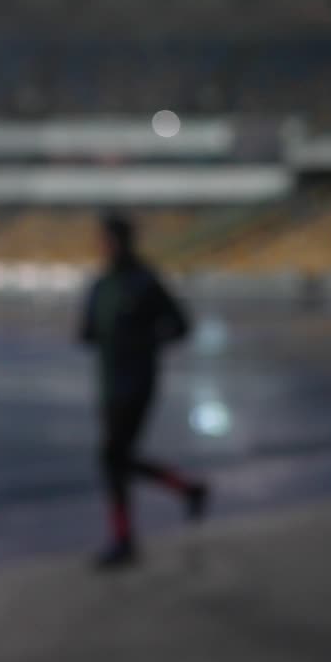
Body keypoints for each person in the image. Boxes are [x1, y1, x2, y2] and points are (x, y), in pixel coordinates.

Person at [80, 211, 209, 570]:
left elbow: (181, 325)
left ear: (120, 241)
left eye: (105, 239)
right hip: (107, 384)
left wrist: (145, 341)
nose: (101, 246)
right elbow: (87, 332)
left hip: (137, 383)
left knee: (112, 458)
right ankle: (187, 489)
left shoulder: (145, 281)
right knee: (118, 459)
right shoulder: (101, 285)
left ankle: (124, 540)